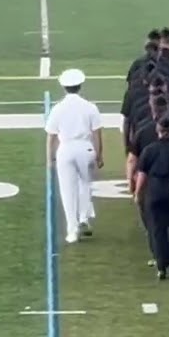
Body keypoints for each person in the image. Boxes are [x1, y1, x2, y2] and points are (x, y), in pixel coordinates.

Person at [45, 69, 103, 244]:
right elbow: (97, 133)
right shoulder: (90, 106)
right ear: (80, 86)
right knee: (85, 184)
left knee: (67, 190)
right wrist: (100, 155)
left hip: (66, 148)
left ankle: (72, 230)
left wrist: (49, 159)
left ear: (64, 87)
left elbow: (51, 136)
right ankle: (84, 217)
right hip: (85, 148)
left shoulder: (58, 108)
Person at [134, 118, 169, 279]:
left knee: (157, 229)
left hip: (155, 190)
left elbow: (142, 175)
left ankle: (161, 265)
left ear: (157, 130)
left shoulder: (149, 150)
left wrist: (138, 194)